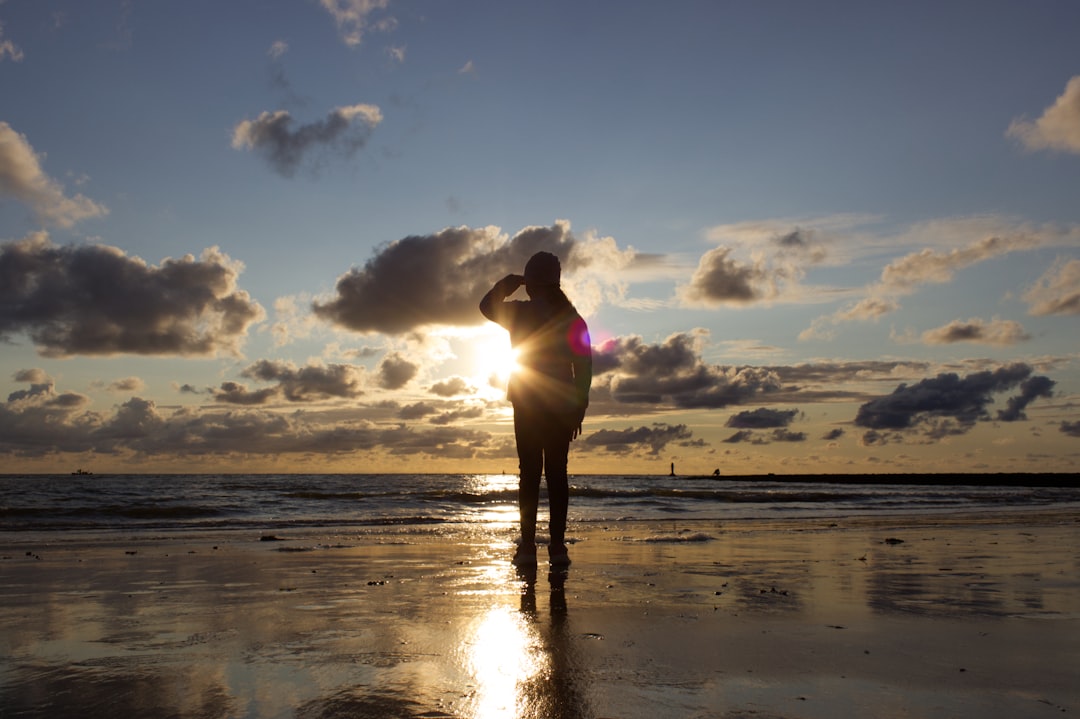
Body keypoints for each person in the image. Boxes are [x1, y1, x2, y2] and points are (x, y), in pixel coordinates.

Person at [480, 251, 592, 568]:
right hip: (559, 404)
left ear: (531, 283)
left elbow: (486, 307)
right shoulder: (572, 318)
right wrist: (579, 407)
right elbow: (584, 369)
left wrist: (506, 284)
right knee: (556, 474)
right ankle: (556, 547)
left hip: (528, 401)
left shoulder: (521, 314)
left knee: (529, 474)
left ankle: (528, 547)